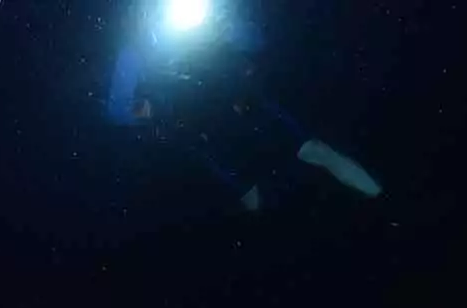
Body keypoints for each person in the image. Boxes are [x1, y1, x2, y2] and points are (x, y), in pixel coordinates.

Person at [104, 0, 382, 212]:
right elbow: (116, 110)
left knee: (316, 149)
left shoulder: (205, 16)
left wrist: (223, 28)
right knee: (253, 200)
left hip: (243, 102)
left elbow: (257, 41)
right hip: (201, 131)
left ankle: (383, 201)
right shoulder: (134, 52)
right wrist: (148, 109)